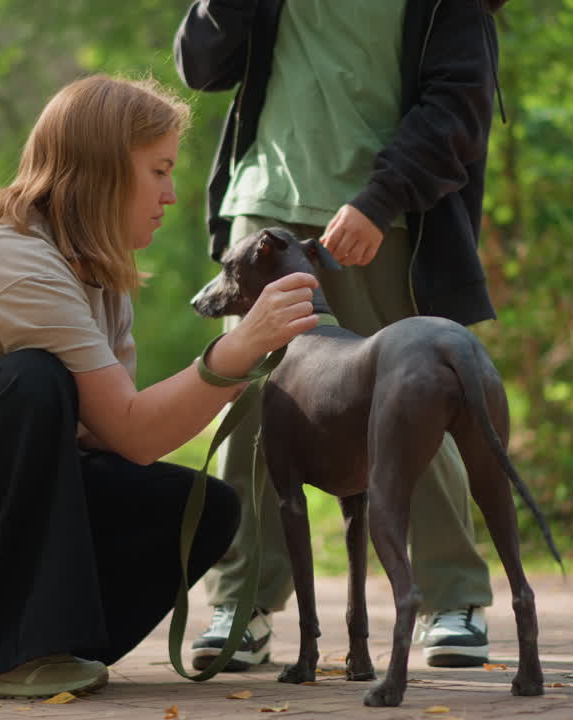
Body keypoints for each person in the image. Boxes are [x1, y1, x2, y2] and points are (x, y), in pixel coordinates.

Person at [0, 74, 320, 700]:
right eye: (158, 171)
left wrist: (223, 368)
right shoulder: (18, 263)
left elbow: (111, 436)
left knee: (202, 510)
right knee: (33, 379)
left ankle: (45, 642)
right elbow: (132, 432)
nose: (173, 195)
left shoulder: (101, 283)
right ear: (103, 170)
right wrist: (240, 346)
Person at [174, 0, 509, 670]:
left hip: (386, 218)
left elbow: (460, 104)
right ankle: (242, 607)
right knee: (254, 418)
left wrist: (382, 198)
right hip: (264, 206)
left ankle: (452, 598)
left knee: (421, 399)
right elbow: (201, 67)